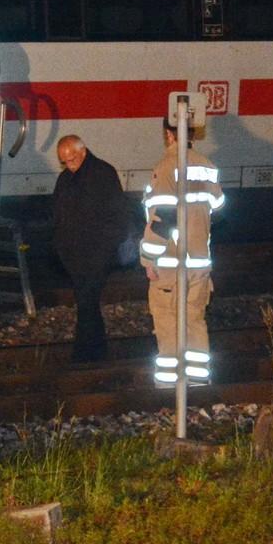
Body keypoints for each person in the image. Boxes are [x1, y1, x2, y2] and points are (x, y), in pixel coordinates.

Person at [141, 120, 224, 387]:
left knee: (167, 321)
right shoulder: (207, 166)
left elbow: (163, 218)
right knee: (195, 321)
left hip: (171, 263)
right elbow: (219, 207)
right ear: (194, 135)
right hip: (199, 262)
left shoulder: (166, 168)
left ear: (168, 135)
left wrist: (148, 258)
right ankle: (198, 382)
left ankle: (169, 386)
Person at [52, 135, 135, 364]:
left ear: (83, 152)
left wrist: (104, 250)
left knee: (87, 303)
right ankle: (95, 352)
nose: (69, 165)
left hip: (95, 255)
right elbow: (59, 216)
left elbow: (117, 216)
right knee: (86, 304)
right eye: (65, 161)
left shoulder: (102, 174)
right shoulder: (67, 179)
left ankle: (86, 353)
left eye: (72, 159)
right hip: (77, 256)